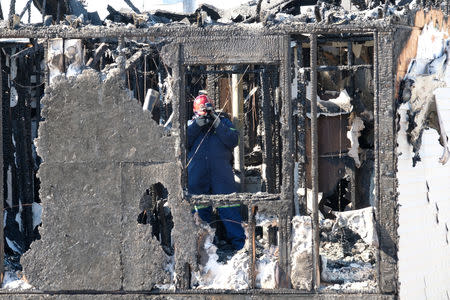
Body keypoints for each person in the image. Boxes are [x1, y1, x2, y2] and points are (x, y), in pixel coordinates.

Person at [187, 94, 245, 250]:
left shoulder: (223, 122)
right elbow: (183, 141)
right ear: (195, 111)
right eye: (202, 111)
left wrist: (217, 123)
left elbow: (233, 140)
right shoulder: (190, 124)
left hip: (221, 174)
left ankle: (240, 246)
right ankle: (203, 247)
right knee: (200, 211)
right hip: (198, 175)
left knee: (229, 207)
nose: (205, 113)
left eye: (207, 110)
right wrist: (197, 125)